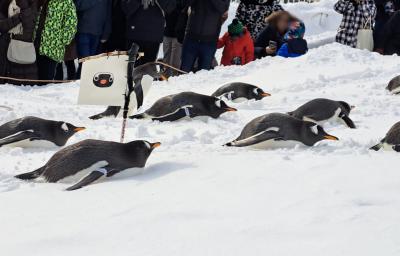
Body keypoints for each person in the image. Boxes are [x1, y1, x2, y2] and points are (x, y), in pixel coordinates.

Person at [121, 0, 176, 67]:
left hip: (153, 36)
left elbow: (170, 7)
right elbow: (126, 8)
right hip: (135, 35)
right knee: (131, 70)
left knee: (147, 72)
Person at [180, 0, 230, 73]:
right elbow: (184, 3)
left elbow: (223, 8)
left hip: (209, 42)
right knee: (184, 72)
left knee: (203, 76)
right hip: (191, 39)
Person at [35, 0, 77, 81]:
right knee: (38, 78)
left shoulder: (67, 2)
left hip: (53, 48)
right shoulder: (45, 1)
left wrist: (60, 40)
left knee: (46, 79)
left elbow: (71, 25)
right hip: (38, 45)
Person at [0, 0, 38, 84]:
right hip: (5, 50)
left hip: (24, 49)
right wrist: (19, 17)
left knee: (24, 90)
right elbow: (2, 25)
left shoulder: (31, 3)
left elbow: (32, 24)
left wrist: (22, 15)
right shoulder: (3, 3)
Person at [163, 0, 185, 76]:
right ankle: (164, 81)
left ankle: (174, 82)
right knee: (166, 61)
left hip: (178, 34)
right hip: (167, 32)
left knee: (175, 63)